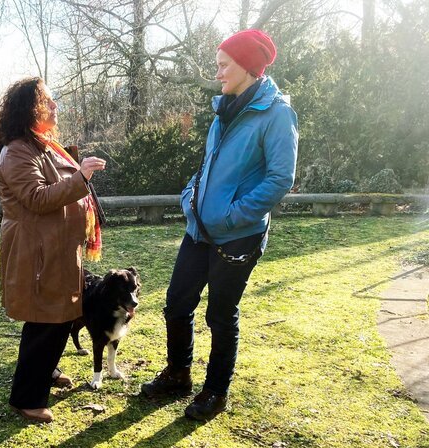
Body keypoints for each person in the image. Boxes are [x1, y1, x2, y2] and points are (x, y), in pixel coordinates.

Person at [140, 29, 298, 421]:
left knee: (220, 315)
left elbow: (281, 178)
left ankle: (216, 392)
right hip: (199, 231)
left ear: (247, 66)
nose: (219, 73)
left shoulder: (276, 114)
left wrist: (233, 214)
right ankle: (178, 375)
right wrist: (191, 196)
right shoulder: (223, 110)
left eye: (224, 65)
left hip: (238, 235)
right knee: (177, 304)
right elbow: (208, 166)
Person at [0, 77, 106, 423]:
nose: (55, 107)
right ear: (29, 110)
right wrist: (81, 177)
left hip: (56, 248)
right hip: (37, 252)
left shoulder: (43, 145)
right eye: (47, 103)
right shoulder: (17, 151)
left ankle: (46, 370)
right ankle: (26, 397)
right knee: (46, 320)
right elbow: (36, 198)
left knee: (60, 315)